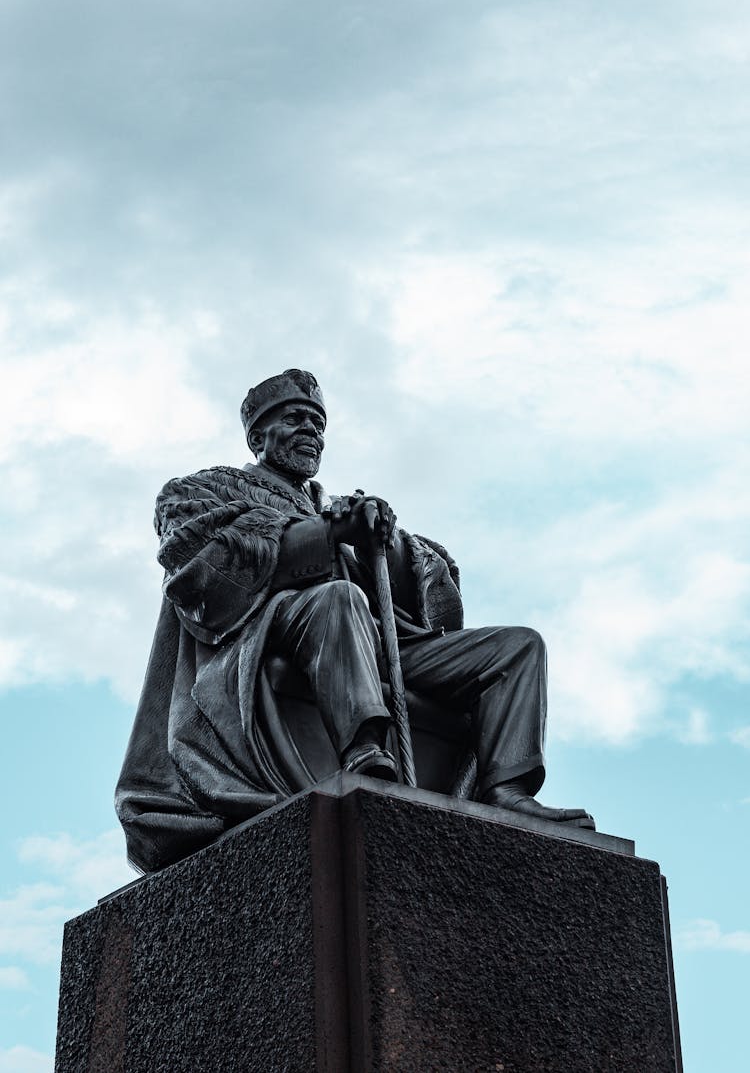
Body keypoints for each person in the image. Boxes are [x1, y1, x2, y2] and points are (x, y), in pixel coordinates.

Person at [116, 369, 593, 872]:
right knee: (338, 598)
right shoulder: (207, 489)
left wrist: (389, 544)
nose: (310, 432)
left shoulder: (338, 504)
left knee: (518, 647)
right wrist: (326, 534)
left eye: (318, 424)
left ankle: (506, 788)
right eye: (295, 419)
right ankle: (364, 751)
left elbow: (427, 590)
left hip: (381, 647)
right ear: (258, 436)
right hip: (269, 640)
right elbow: (204, 564)